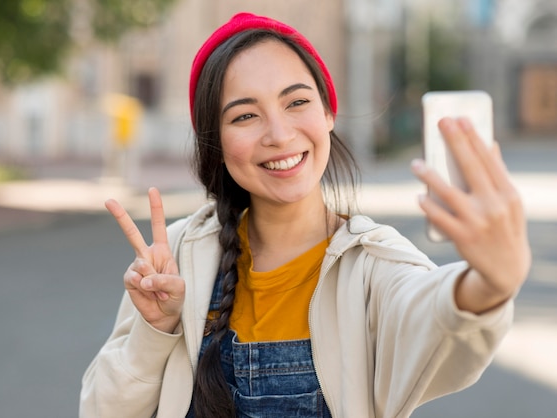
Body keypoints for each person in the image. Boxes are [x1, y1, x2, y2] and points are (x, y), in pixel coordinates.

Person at [79, 12, 531, 418]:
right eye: (244, 116)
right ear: (215, 142)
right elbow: (102, 411)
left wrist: (491, 282)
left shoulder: (375, 265)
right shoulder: (178, 255)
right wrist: (155, 331)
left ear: (328, 111)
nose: (279, 134)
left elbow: (440, 320)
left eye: (296, 102)